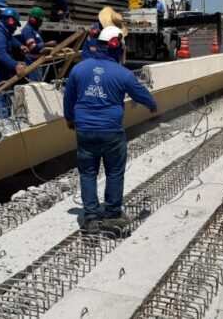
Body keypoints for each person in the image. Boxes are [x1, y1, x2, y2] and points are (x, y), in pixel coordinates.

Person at [63, 25, 157, 232]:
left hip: (85, 130)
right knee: (114, 172)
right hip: (111, 132)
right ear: (116, 46)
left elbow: (68, 97)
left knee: (88, 173)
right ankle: (112, 214)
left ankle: (91, 218)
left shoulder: (79, 69)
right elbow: (140, 93)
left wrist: (70, 119)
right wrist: (152, 105)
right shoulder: (122, 73)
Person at [0, 8, 27, 117]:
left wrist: (19, 45)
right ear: (11, 21)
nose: (15, 28)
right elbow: (1, 54)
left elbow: (10, 39)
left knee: (4, 101)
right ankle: (2, 128)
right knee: (0, 105)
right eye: (15, 25)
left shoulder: (2, 31)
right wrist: (15, 65)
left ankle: (3, 124)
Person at [20, 7, 56, 82]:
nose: (41, 23)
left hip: (38, 63)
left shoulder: (35, 30)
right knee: (36, 85)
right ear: (33, 20)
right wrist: (46, 44)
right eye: (40, 21)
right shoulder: (28, 30)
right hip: (32, 64)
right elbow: (33, 48)